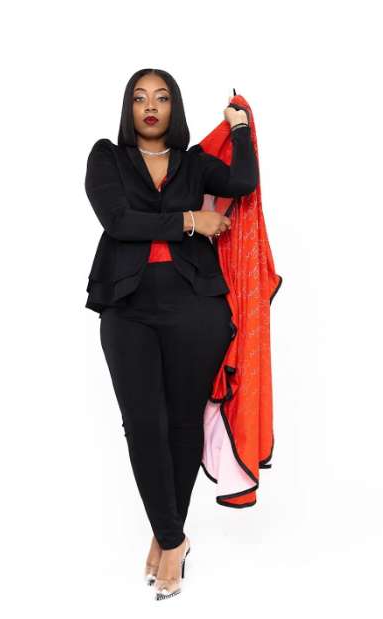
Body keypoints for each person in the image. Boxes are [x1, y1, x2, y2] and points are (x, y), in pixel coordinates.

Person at [84, 68, 258, 600]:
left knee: (183, 422)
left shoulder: (194, 163)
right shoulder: (106, 158)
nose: (150, 106)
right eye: (140, 98)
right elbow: (118, 221)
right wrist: (189, 220)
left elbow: (243, 183)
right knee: (143, 423)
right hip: (128, 306)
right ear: (128, 108)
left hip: (196, 306)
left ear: (173, 108)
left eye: (161, 98)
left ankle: (168, 542)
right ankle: (174, 537)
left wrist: (240, 129)